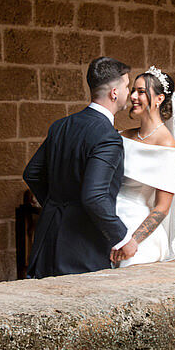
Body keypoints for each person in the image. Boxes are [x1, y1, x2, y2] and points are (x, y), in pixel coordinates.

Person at [22, 56, 130, 277]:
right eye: (127, 86)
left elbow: (32, 173)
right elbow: (94, 196)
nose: (129, 92)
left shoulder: (61, 125)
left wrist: (57, 205)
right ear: (114, 93)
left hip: (48, 237)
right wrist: (122, 238)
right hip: (81, 246)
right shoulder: (108, 137)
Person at [111, 68, 175, 266]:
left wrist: (134, 241)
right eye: (133, 91)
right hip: (108, 223)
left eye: (141, 92)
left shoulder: (166, 144)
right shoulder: (122, 136)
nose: (133, 97)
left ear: (159, 99)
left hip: (134, 229)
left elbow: (163, 207)